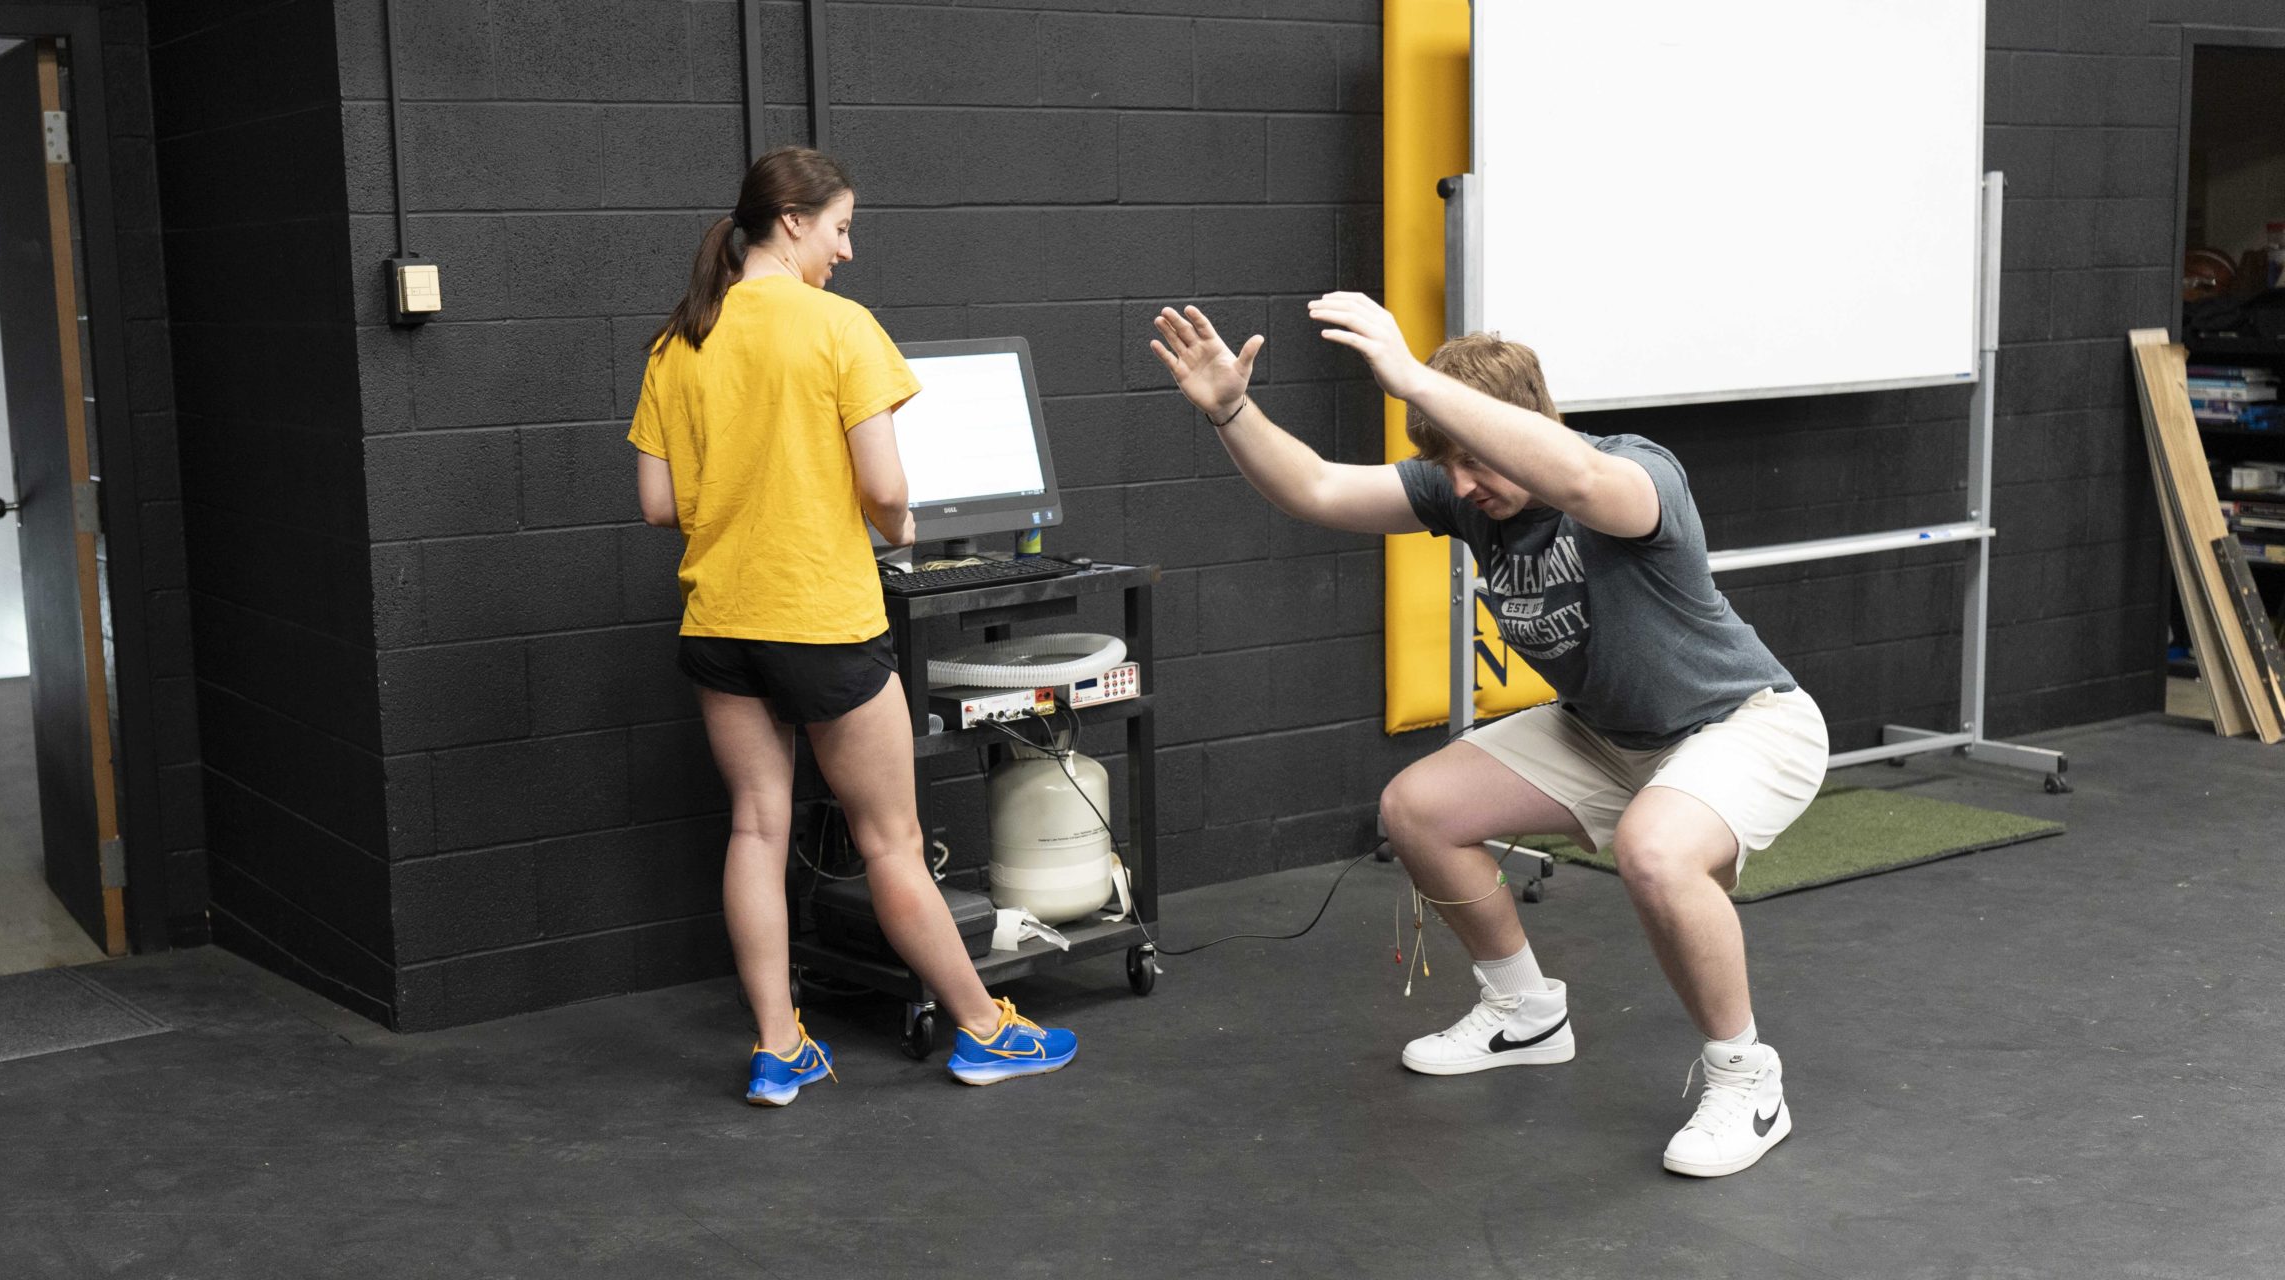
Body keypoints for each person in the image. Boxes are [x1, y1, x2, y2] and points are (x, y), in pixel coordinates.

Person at [1148, 296, 1828, 1178]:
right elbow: (1316, 487)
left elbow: (1577, 482)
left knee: (1655, 851)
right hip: (1606, 732)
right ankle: (1525, 1013)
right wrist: (1232, 411)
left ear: (1523, 424)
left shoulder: (1634, 474)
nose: (1462, 483)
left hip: (1745, 724)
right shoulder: (1464, 495)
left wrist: (1408, 375)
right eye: (1448, 463)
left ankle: (1747, 1080)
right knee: (1418, 808)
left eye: (1475, 456)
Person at [629, 147, 1076, 1105]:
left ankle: (779, 1048)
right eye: (840, 228)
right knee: (891, 843)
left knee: (757, 829)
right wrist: (900, 525)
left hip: (720, 623)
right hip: (821, 621)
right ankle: (986, 1031)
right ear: (792, 222)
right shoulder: (840, 326)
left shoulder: (679, 340)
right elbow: (884, 487)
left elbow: (659, 505)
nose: (847, 249)